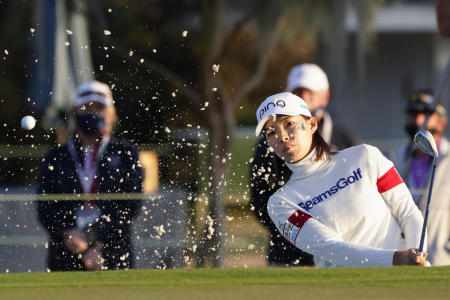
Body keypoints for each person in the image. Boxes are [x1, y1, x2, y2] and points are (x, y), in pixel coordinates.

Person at [255, 91, 427, 267]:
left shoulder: (366, 156)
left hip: (404, 278)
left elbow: (408, 212)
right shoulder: (281, 203)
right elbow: (332, 248)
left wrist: (416, 255)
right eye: (270, 132)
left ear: (312, 124)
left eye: (289, 123)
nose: (282, 136)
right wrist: (397, 259)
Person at [250, 64, 361, 267]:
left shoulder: (346, 138)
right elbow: (260, 200)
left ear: (325, 97)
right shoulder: (269, 142)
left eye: (309, 94)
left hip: (342, 253)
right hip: (288, 254)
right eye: (297, 93)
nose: (302, 99)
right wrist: (299, 231)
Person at [37, 81, 143, 271]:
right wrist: (69, 232)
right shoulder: (56, 156)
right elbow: (45, 206)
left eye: (99, 108)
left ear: (111, 113)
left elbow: (131, 205)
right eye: (86, 107)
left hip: (113, 251)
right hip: (64, 251)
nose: (92, 113)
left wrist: (93, 236)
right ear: (74, 112)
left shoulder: (126, 152)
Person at [389, 89, 450, 266]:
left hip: (442, 261)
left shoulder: (447, 158)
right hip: (407, 260)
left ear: (442, 121)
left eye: (425, 113)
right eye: (413, 113)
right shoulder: (395, 159)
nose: (418, 120)